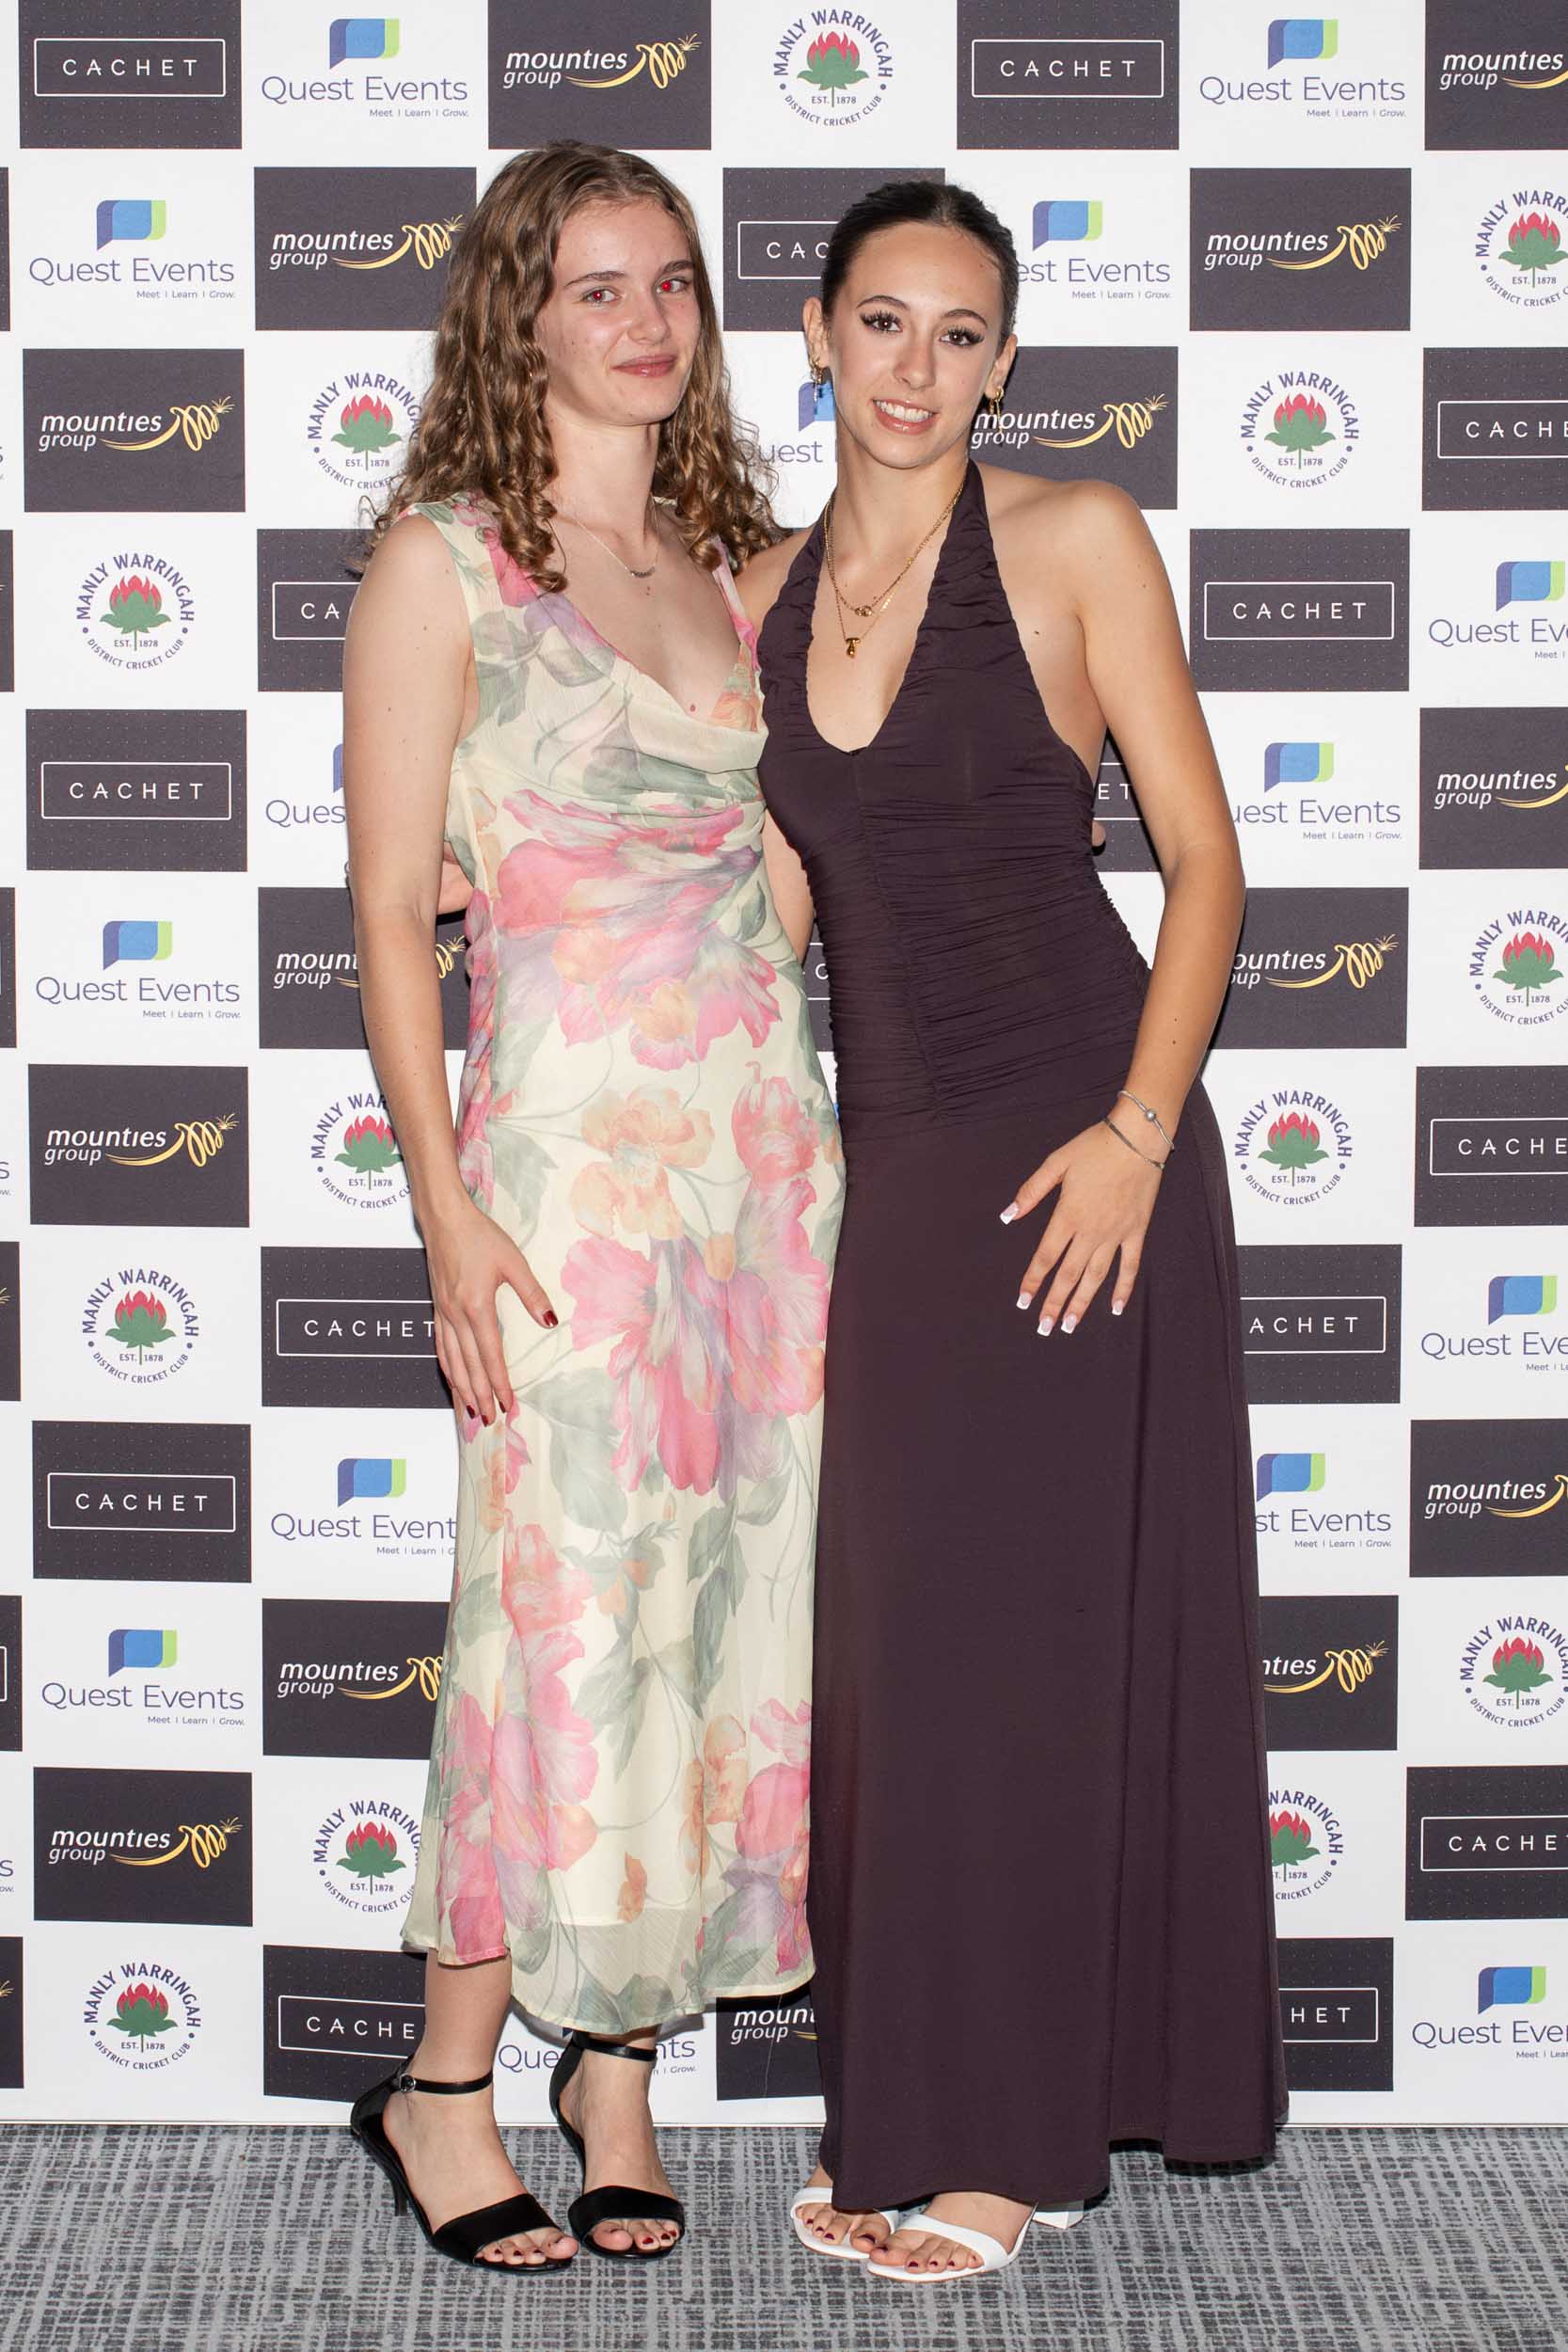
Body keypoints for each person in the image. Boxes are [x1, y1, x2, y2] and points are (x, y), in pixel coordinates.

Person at [737, 180, 1288, 2287]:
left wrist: (1139, 1133)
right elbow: (764, 910)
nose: (917, 368)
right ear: (817, 331)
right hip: (896, 1182)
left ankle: (1009, 2148)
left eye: (961, 334)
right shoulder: (756, 590)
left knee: (1037, 1653)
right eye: (882, 322)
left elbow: (1205, 863)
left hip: (1086, 1156)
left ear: (1007, 360)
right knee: (909, 1662)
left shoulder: (1076, 542)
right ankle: (916, 2096)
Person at [340, 141, 842, 2275]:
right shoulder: (438, 566)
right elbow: (389, 913)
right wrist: (446, 1213)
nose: (647, 323)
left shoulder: (735, 568)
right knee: (549, 1631)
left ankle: (614, 2072)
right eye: (598, 288)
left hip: (761, 1173)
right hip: (561, 1177)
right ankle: (442, 2086)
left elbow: (789, 869)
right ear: (519, 320)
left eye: (674, 285)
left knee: (722, 1629)